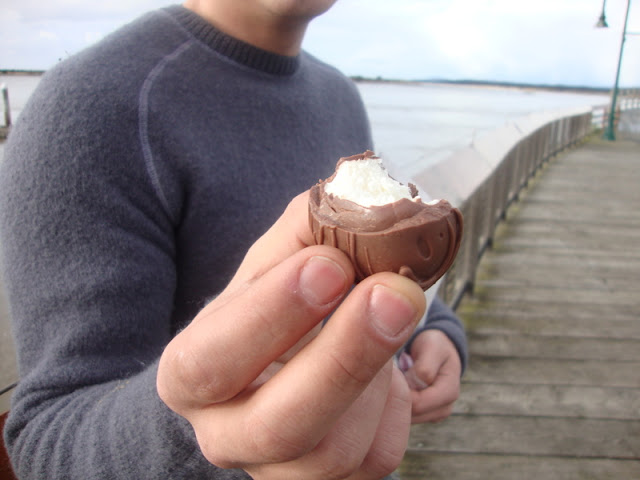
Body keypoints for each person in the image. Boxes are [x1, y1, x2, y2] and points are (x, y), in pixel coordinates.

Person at [0, 1, 467, 478]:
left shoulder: (339, 95)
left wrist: (432, 327)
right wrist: (194, 424)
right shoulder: (90, 109)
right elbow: (46, 442)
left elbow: (368, 263)